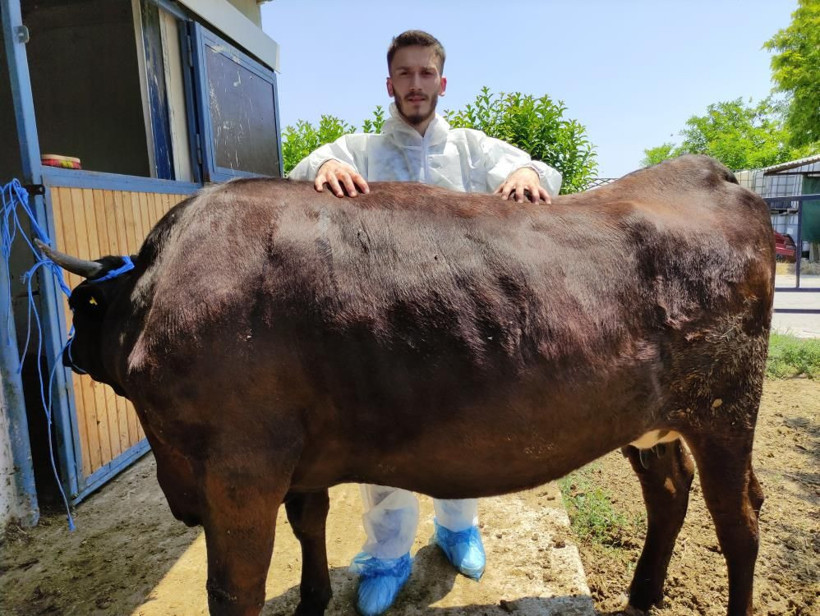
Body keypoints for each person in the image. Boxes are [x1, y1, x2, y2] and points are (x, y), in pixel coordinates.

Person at [289, 30, 562, 616]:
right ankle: (388, 554)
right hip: (381, 337)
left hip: (460, 332)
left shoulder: (469, 149)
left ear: (443, 82)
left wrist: (528, 175)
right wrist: (326, 163)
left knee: (461, 437)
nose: (416, 84)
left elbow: (533, 172)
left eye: (426, 73)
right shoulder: (360, 148)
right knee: (383, 446)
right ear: (389, 85)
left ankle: (458, 529)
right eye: (405, 75)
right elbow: (301, 170)